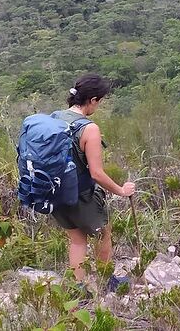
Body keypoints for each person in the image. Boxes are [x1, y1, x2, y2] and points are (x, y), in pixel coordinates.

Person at [51, 74, 136, 290]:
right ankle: (107, 282)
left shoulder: (54, 117)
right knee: (103, 234)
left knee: (78, 239)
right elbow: (96, 173)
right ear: (94, 100)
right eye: (101, 101)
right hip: (81, 194)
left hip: (54, 193)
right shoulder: (89, 129)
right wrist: (121, 190)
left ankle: (77, 288)